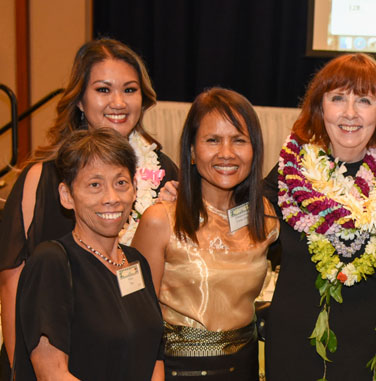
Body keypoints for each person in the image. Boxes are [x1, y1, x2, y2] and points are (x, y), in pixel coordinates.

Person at [0, 38, 178, 373]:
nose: (118, 102)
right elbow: (13, 285)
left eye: (129, 89)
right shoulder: (44, 177)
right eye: (103, 89)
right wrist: (16, 370)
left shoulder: (164, 173)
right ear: (80, 99)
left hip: (128, 347)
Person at [263, 53, 376, 380]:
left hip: (370, 352)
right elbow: (239, 211)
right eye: (337, 98)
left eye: (363, 100)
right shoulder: (291, 171)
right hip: (294, 346)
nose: (349, 113)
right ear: (320, 107)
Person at [132, 88, 279, 380]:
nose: (226, 153)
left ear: (254, 150)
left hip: (245, 368)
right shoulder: (161, 220)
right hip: (176, 371)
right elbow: (135, 315)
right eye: (213, 140)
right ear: (191, 151)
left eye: (239, 140)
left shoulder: (265, 218)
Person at [12, 128, 164, 380]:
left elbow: (155, 354)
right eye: (95, 185)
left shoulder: (136, 262)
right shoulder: (52, 262)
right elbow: (52, 374)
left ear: (135, 189)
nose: (112, 198)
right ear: (67, 196)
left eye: (121, 183)